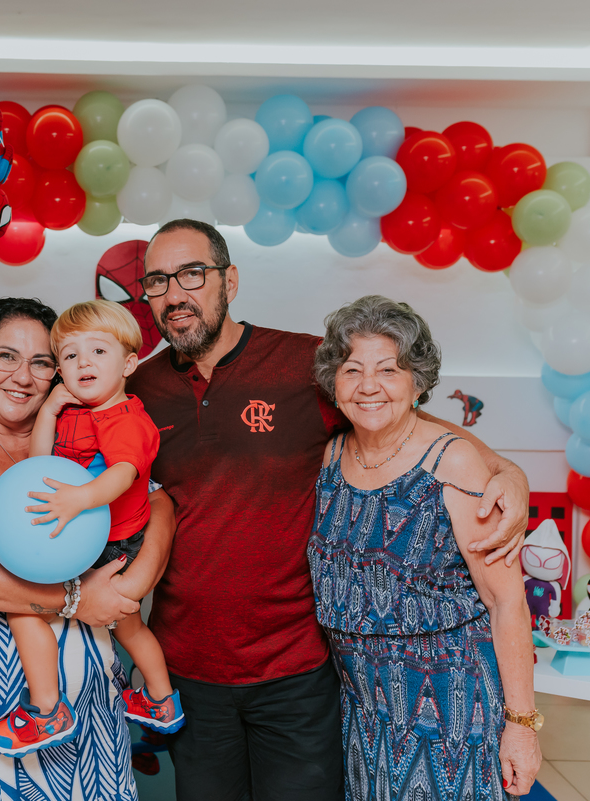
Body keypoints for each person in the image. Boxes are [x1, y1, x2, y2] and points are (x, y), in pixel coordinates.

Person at [125, 219, 532, 801]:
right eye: (158, 280)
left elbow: (393, 409)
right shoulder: (139, 389)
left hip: (297, 669)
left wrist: (505, 469)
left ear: (229, 280)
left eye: (192, 274)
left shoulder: (301, 364)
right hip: (188, 668)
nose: (175, 294)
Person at [0, 297, 178, 799]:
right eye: (6, 357)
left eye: (41, 361)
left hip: (90, 719)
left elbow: (158, 505)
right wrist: (77, 598)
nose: (23, 376)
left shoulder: (84, 439)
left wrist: (131, 584)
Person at [309, 295, 543, 798]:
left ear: (417, 381)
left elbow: (506, 601)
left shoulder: (453, 463)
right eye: (352, 370)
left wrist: (522, 724)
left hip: (451, 707)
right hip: (363, 708)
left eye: (388, 370)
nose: (368, 386)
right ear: (334, 382)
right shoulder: (329, 456)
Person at [0, 300, 183, 758]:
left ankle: (48, 710)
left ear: (129, 363)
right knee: (126, 624)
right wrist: (50, 412)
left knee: (26, 608)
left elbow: (124, 474)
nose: (83, 363)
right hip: (91, 536)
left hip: (116, 542)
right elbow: (39, 464)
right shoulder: (78, 411)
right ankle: (159, 700)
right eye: (71, 356)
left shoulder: (124, 417)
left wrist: (78, 498)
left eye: (97, 351)